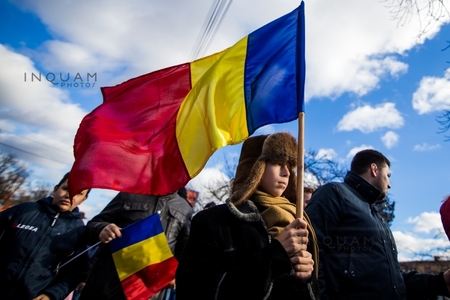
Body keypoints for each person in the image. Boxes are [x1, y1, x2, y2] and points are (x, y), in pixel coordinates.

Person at [176, 132, 320, 300]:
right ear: (255, 168)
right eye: (277, 163)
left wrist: (305, 280)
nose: (286, 172)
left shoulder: (298, 220)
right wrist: (275, 253)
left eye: (289, 165)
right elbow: (196, 291)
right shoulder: (213, 221)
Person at [305, 149, 450, 300]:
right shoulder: (334, 193)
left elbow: (392, 282)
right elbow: (310, 248)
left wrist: (439, 282)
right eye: (388, 176)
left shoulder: (377, 218)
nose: (389, 185)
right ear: (374, 169)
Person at [79, 188, 193, 300]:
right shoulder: (130, 193)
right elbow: (92, 225)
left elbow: (185, 253)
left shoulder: (185, 208)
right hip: (106, 286)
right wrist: (102, 229)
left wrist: (177, 275)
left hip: (150, 293)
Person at [0, 172, 90, 300]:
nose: (69, 195)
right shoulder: (23, 211)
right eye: (66, 188)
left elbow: (74, 272)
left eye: (78, 193)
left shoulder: (79, 231)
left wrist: (51, 294)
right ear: (55, 189)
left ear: (84, 199)